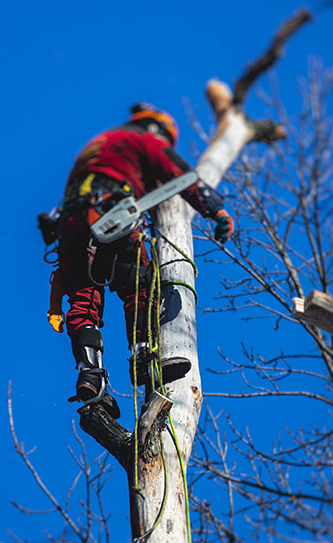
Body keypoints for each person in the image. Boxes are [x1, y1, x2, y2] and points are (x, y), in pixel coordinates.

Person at [55, 103, 234, 419]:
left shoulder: (100, 144)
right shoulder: (144, 140)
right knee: (139, 282)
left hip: (71, 224)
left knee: (84, 299)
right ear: (156, 129)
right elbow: (177, 172)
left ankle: (90, 376)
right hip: (111, 211)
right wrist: (213, 207)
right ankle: (144, 357)